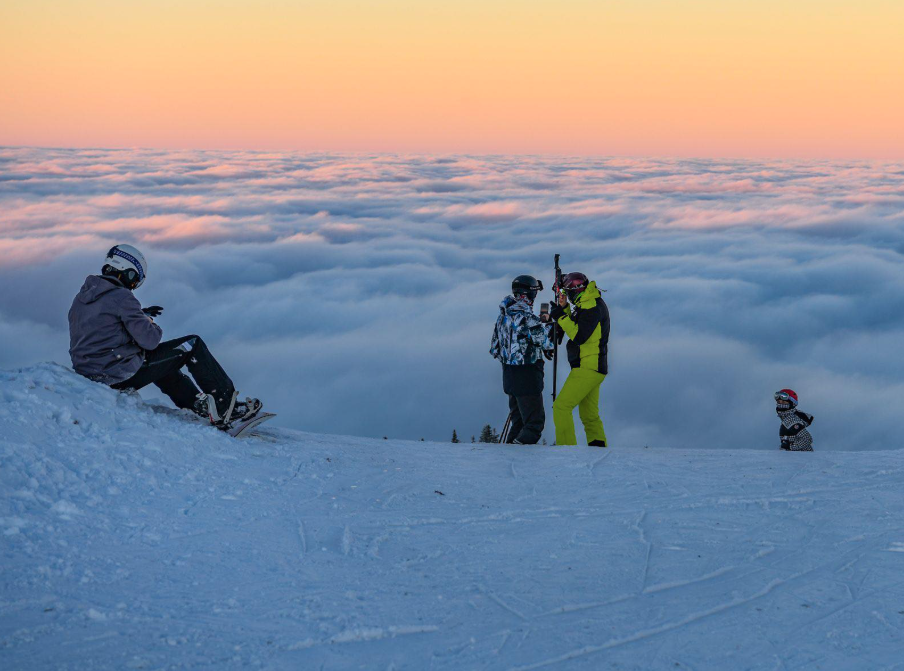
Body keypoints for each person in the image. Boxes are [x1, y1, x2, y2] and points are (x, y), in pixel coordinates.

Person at [68, 244, 261, 428]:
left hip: (92, 374)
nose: (133, 286)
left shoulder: (83, 297)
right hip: (116, 374)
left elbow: (103, 323)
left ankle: (199, 406)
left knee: (165, 362)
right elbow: (151, 341)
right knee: (191, 345)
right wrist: (149, 323)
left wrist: (138, 314)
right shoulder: (123, 298)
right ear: (128, 272)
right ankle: (226, 406)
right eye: (134, 280)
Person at [490, 275, 554, 444]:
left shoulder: (503, 315)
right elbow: (545, 342)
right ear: (530, 294)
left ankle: (510, 450)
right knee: (534, 423)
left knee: (518, 421)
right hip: (527, 373)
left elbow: (495, 346)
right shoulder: (526, 317)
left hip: (509, 375)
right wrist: (548, 326)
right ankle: (521, 457)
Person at [549, 271, 609, 447]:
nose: (568, 296)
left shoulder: (590, 306)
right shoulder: (590, 301)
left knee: (561, 408)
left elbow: (579, 335)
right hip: (595, 366)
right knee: (589, 414)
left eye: (568, 293)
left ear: (575, 290)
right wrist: (564, 309)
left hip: (587, 366)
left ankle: (566, 450)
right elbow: (579, 323)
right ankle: (598, 448)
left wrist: (559, 315)